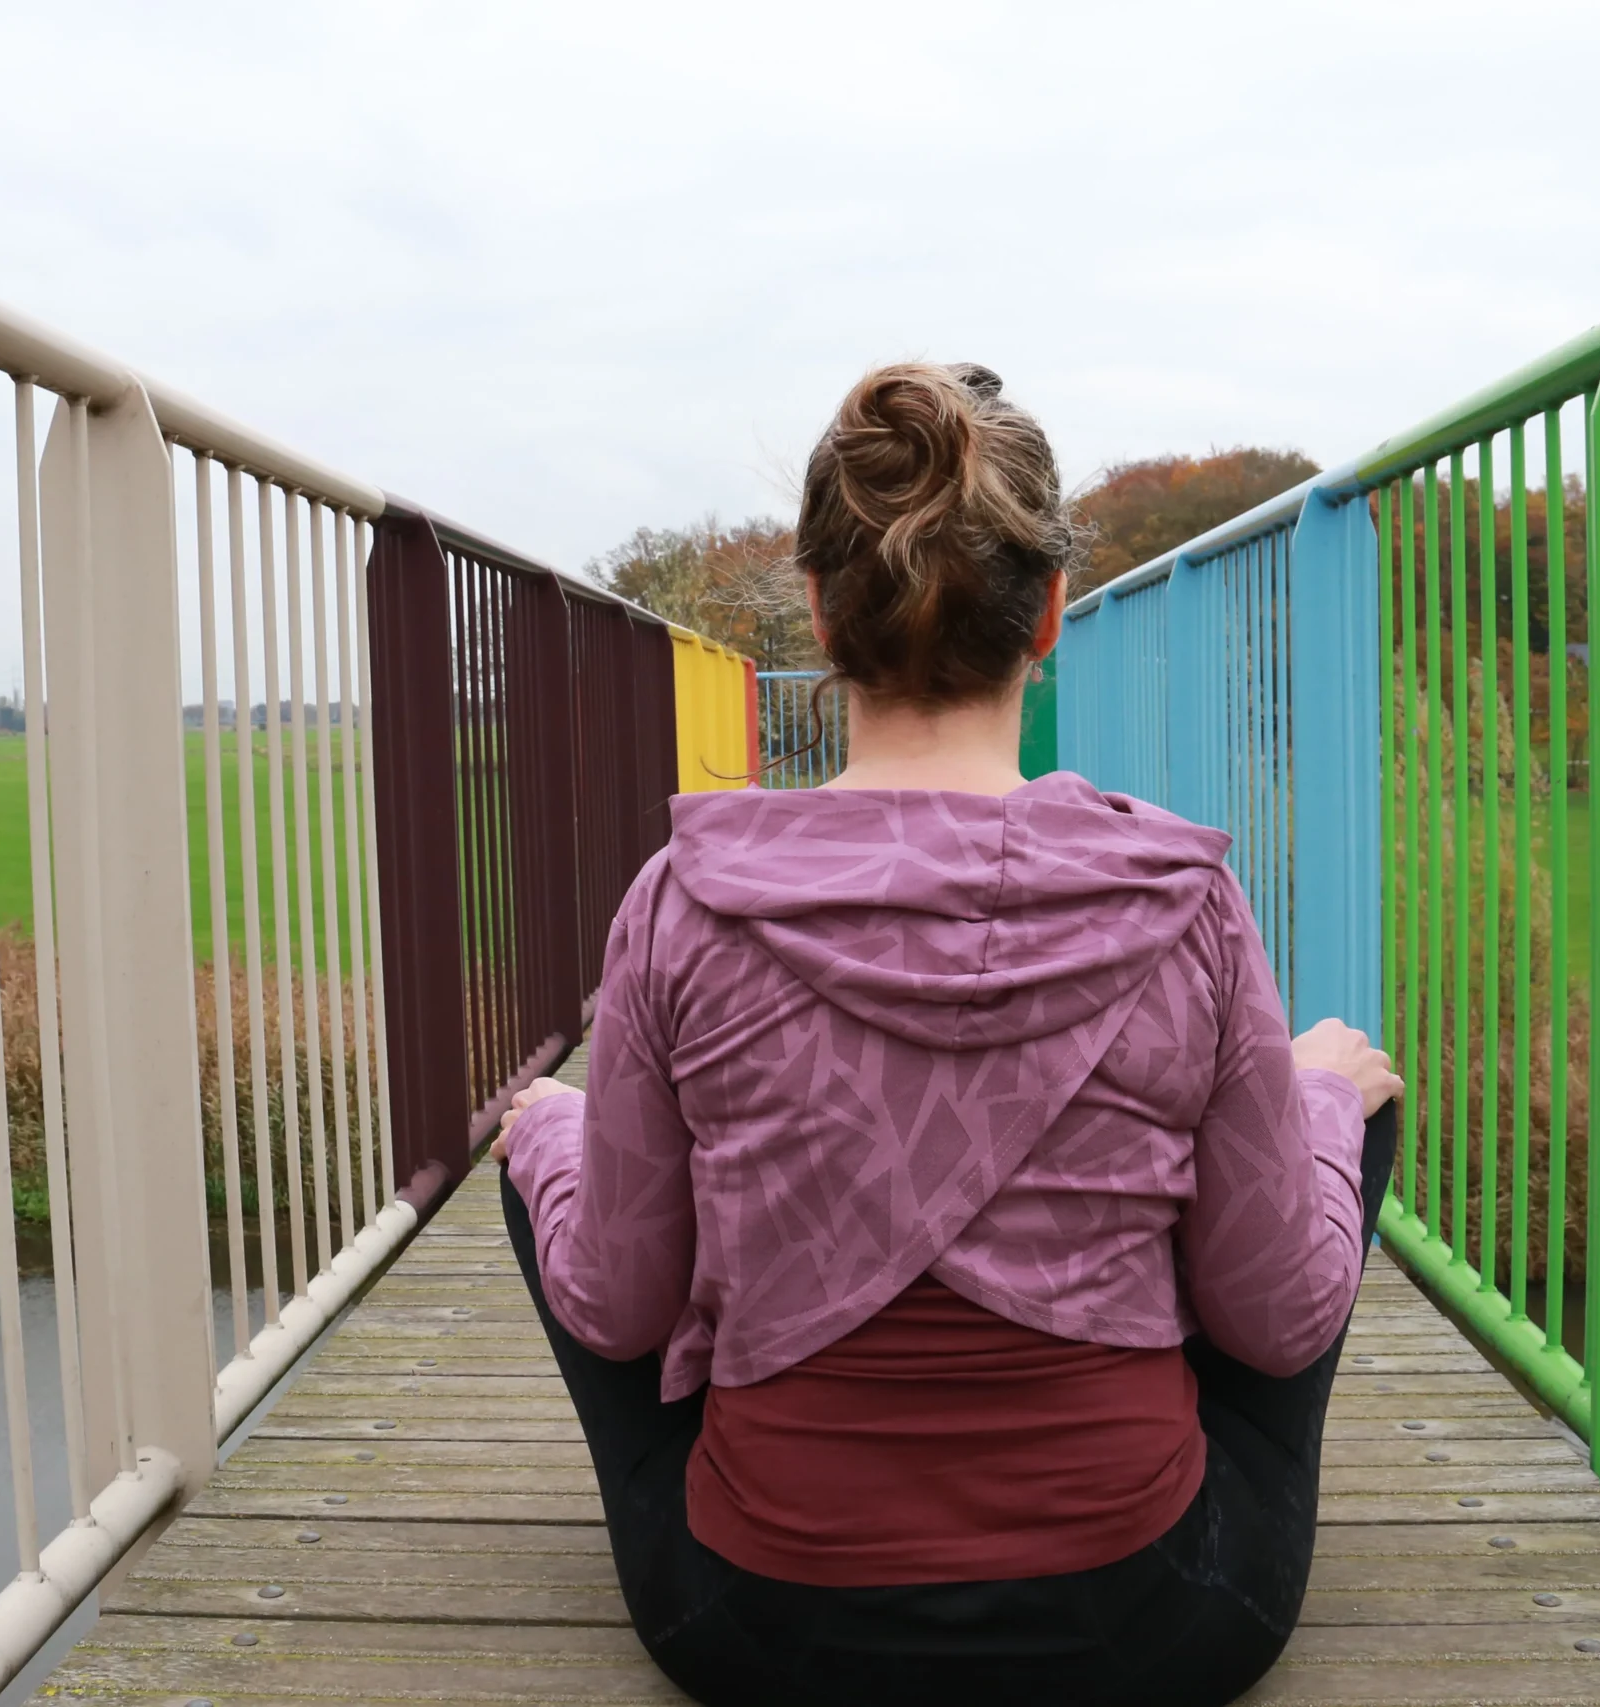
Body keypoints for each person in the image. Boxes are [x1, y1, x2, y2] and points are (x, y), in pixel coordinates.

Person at [493, 360, 1400, 1707]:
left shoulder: (681, 901)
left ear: (816, 605)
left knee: (550, 1156)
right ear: (1048, 615)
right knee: (1336, 1109)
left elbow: (619, 1303)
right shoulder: (1183, 900)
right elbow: (1272, 1323)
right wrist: (1318, 1102)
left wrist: (555, 1139)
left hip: (760, 1632)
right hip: (1149, 1626)